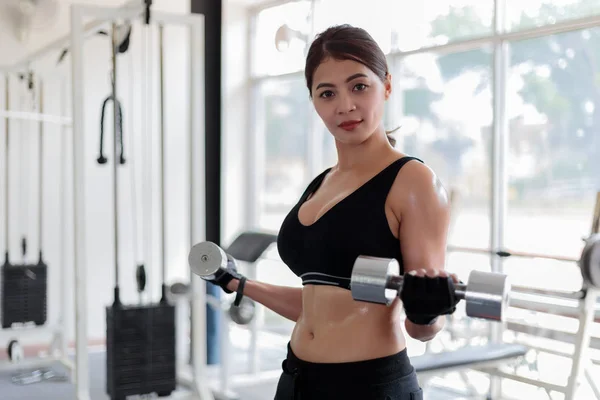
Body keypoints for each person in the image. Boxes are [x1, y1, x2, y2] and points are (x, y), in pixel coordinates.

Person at [205, 24, 460, 400]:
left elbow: (421, 327)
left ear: (386, 85)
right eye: (327, 93)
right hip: (296, 380)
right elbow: (316, 302)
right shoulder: (321, 183)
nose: (345, 106)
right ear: (313, 101)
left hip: (367, 387)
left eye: (359, 86)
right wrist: (239, 283)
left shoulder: (413, 182)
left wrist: (426, 313)